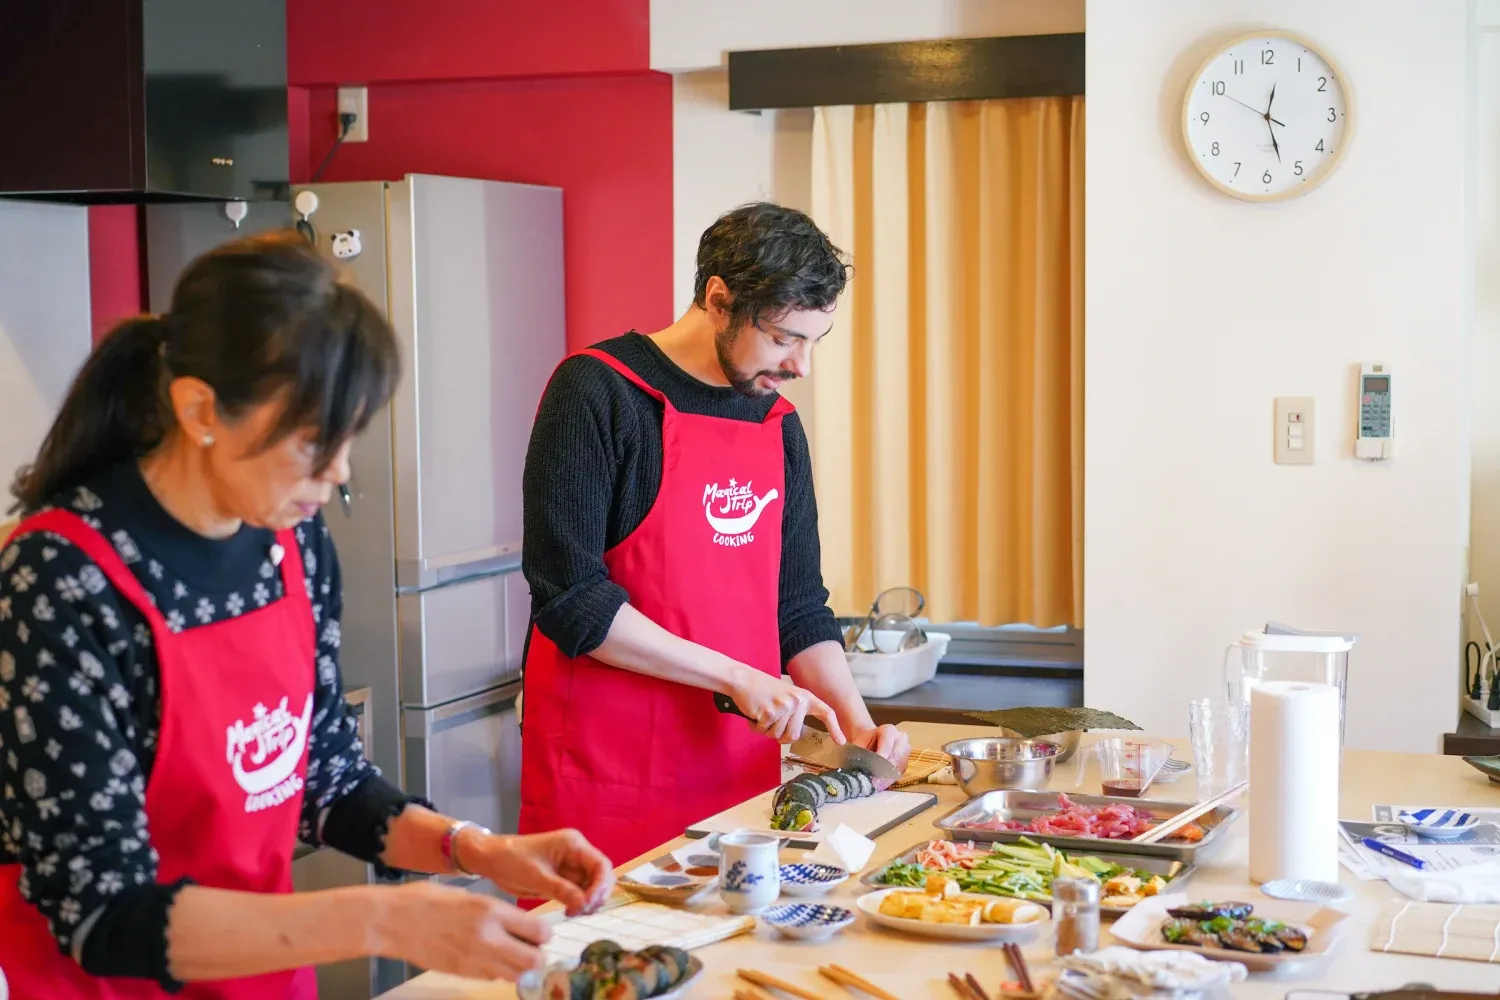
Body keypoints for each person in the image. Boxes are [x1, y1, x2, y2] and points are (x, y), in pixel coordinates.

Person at [0, 232, 613, 998]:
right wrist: (381, 922)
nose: (339, 473)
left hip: (263, 980)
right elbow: (100, 913)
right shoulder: (63, 577)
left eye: (348, 438)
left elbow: (328, 777)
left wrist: (478, 850)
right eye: (310, 443)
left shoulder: (290, 542)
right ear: (200, 409)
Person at [518, 203, 913, 869]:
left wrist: (854, 723)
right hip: (606, 775)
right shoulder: (597, 392)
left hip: (737, 779)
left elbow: (798, 607)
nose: (802, 366)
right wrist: (736, 677)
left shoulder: (778, 425)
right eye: (787, 338)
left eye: (816, 341)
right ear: (720, 300)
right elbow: (570, 600)